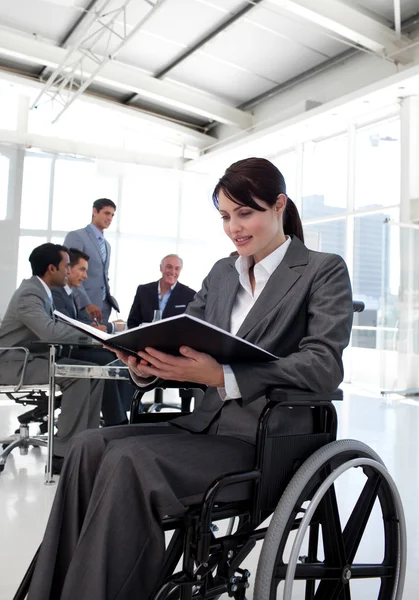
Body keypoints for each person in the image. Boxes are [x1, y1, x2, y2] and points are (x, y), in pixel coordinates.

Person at [26, 158, 353, 600]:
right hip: (204, 426)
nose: (233, 228)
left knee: (130, 461)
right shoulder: (223, 273)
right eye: (224, 216)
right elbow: (185, 340)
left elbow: (323, 365)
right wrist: (144, 363)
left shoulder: (321, 269)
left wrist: (222, 374)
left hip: (268, 438)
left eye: (245, 213)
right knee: (87, 446)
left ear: (279, 206)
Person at [0, 243, 104, 473]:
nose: (69, 271)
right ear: (51, 268)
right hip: (12, 363)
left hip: (29, 359)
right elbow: (50, 331)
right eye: (66, 266)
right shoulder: (30, 293)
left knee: (94, 373)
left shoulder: (40, 291)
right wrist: (94, 336)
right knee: (78, 376)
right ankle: (62, 454)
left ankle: (86, 446)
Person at [52, 248, 133, 427]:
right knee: (107, 361)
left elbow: (77, 322)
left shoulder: (69, 294)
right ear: (68, 269)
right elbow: (65, 326)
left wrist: (94, 328)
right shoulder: (57, 293)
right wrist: (94, 329)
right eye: (82, 269)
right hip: (65, 352)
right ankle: (116, 421)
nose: (85, 276)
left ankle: (123, 413)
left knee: (117, 357)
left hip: (75, 347)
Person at [64, 198, 118, 327]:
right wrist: (85, 303)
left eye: (112, 215)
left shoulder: (107, 245)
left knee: (101, 345)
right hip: (85, 305)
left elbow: (103, 275)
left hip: (104, 307)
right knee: (84, 343)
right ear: (94, 211)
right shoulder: (77, 236)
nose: (110, 218)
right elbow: (70, 272)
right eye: (106, 213)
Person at [127, 254, 196, 328]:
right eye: (169, 267)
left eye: (177, 268)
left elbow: (191, 326)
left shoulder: (189, 295)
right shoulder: (143, 291)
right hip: (145, 338)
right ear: (161, 268)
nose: (173, 272)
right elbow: (132, 322)